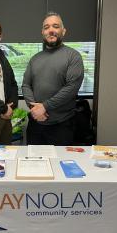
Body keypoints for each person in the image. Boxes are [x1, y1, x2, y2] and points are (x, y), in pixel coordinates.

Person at [22, 12, 84, 145]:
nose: (51, 30)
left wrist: (45, 106)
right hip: (35, 125)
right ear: (42, 32)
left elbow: (71, 88)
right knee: (33, 162)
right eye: (46, 27)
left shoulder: (73, 56)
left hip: (61, 126)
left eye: (55, 26)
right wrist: (35, 109)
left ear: (63, 31)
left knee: (59, 164)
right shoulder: (35, 58)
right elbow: (26, 85)